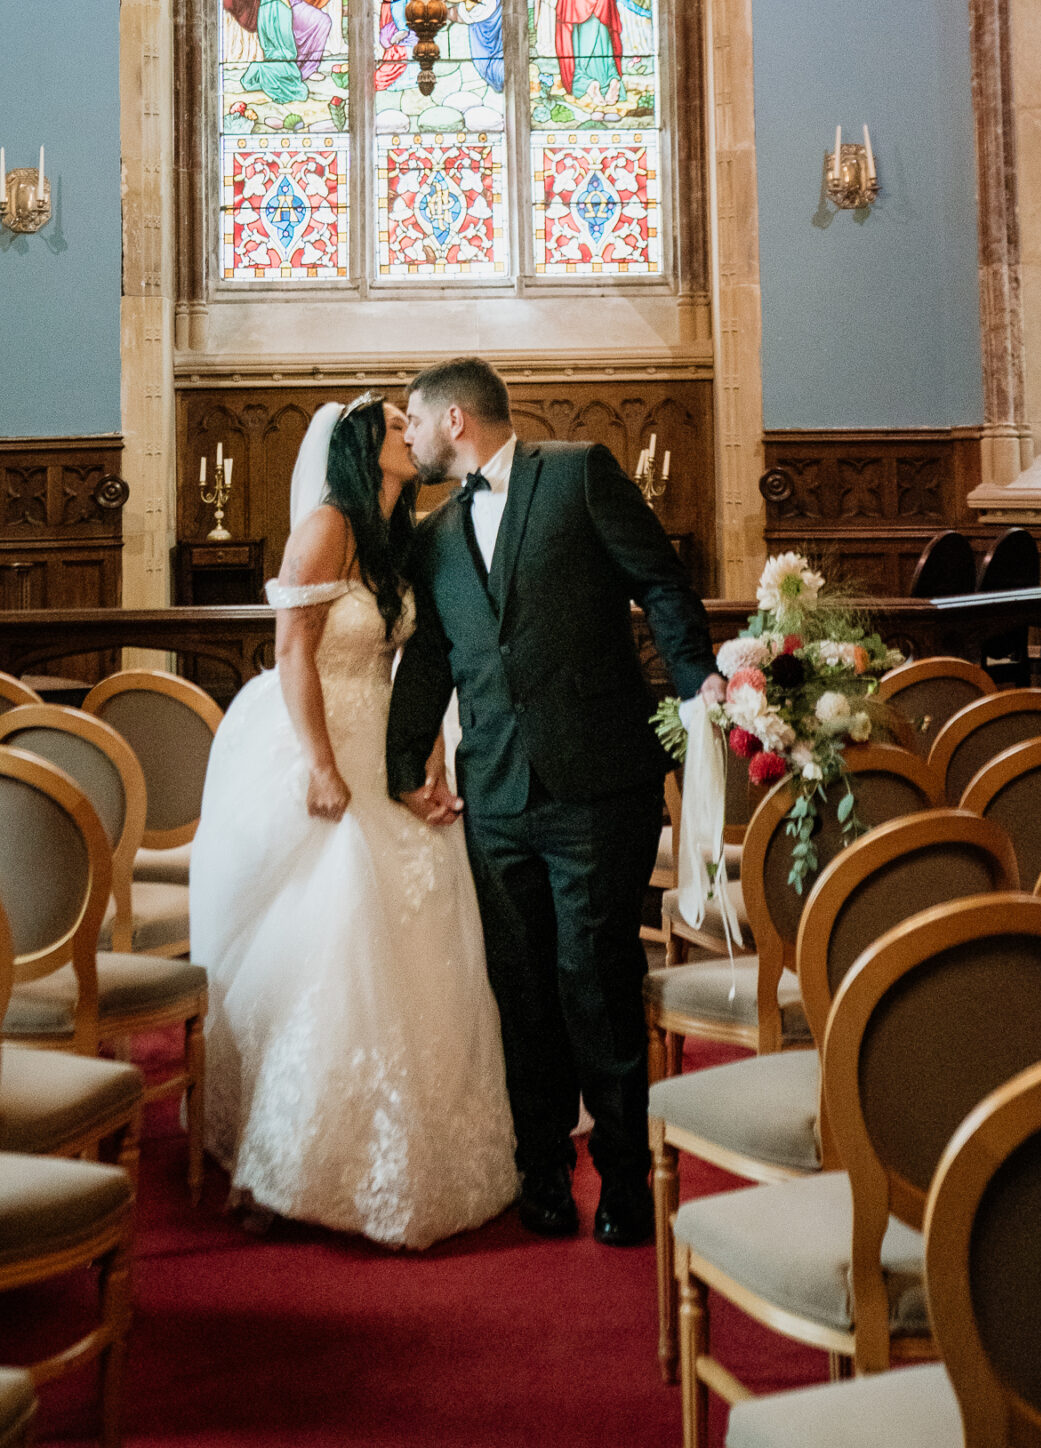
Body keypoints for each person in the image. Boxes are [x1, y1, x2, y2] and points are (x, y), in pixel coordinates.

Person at [387, 357, 724, 1247]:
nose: (409, 437)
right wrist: (400, 762)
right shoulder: (431, 538)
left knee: (596, 979)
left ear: (455, 418)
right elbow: (431, 660)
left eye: (414, 421)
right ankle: (541, 1172)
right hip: (493, 791)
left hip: (598, 783)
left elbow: (660, 583)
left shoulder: (575, 475)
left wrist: (699, 687)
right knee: (521, 990)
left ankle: (625, 1179)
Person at [187, 393, 518, 1248]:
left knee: (430, 913)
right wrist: (322, 767)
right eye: (394, 425)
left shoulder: (395, 536)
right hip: (317, 733)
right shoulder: (328, 524)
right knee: (336, 923)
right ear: (358, 445)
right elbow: (292, 648)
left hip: (385, 735)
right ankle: (287, 1155)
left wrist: (426, 757)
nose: (410, 433)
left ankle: (425, 1139)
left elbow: (411, 660)